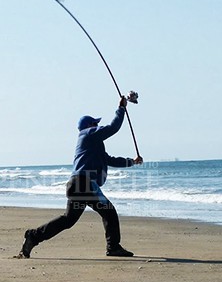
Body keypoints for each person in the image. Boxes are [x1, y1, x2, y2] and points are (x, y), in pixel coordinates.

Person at [18, 96, 143, 258]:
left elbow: (110, 160)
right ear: (90, 126)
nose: (98, 126)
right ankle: (113, 247)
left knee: (68, 220)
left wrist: (131, 162)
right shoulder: (89, 134)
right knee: (109, 212)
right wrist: (121, 109)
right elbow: (113, 128)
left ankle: (33, 237)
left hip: (76, 185)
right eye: (95, 124)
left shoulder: (91, 144)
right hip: (85, 184)